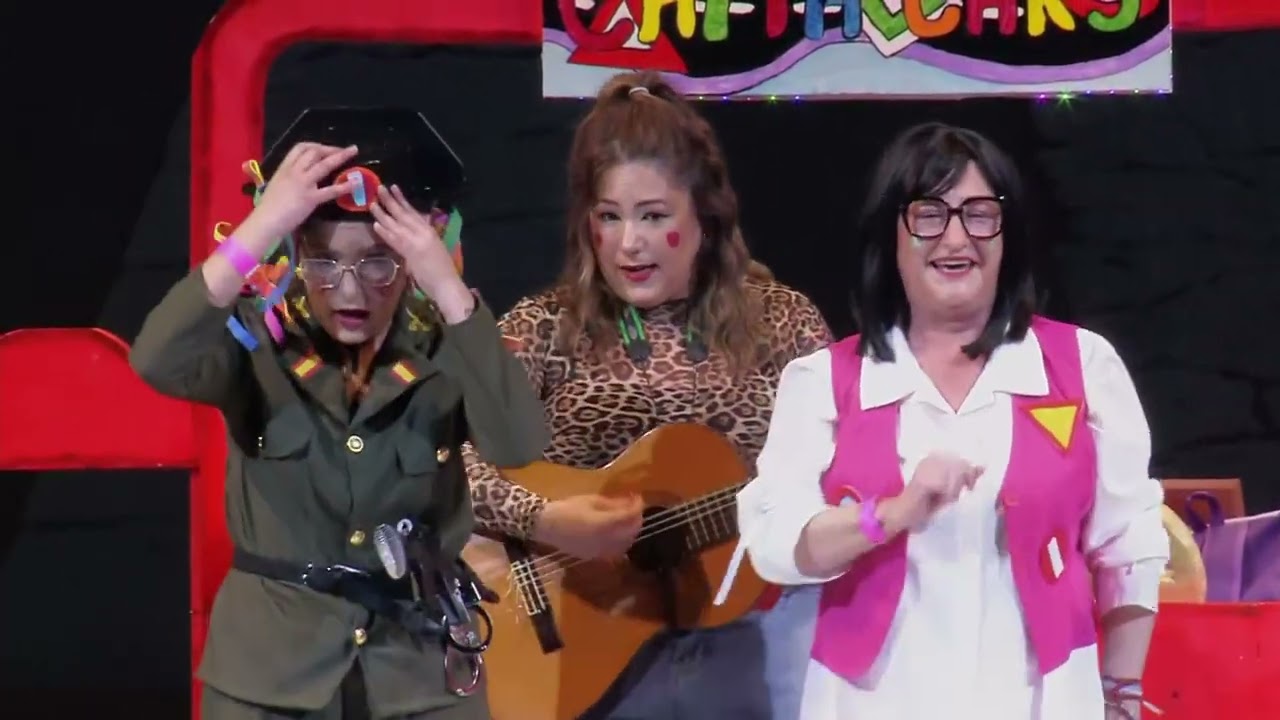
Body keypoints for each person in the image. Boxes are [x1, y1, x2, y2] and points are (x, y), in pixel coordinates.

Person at [734, 122, 1170, 720]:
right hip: (870, 704)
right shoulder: (823, 382)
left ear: (1007, 235)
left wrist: (1120, 694)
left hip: (1042, 702)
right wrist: (891, 514)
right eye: (929, 214)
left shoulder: (1083, 366)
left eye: (979, 214)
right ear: (891, 235)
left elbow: (1129, 545)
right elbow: (779, 546)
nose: (957, 236)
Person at [131, 107, 549, 719]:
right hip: (271, 678)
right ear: (294, 255)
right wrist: (262, 225)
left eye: (378, 261)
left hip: (418, 676)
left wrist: (447, 288)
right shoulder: (255, 345)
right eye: (323, 261)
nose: (350, 290)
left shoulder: (446, 347)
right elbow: (155, 360)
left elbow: (518, 444)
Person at [462, 71, 833, 719]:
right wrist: (544, 519)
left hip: (748, 650)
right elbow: (438, 464)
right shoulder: (545, 327)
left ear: (706, 217)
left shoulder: (783, 324)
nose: (629, 243)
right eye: (609, 217)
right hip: (579, 655)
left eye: (654, 216)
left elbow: (842, 462)